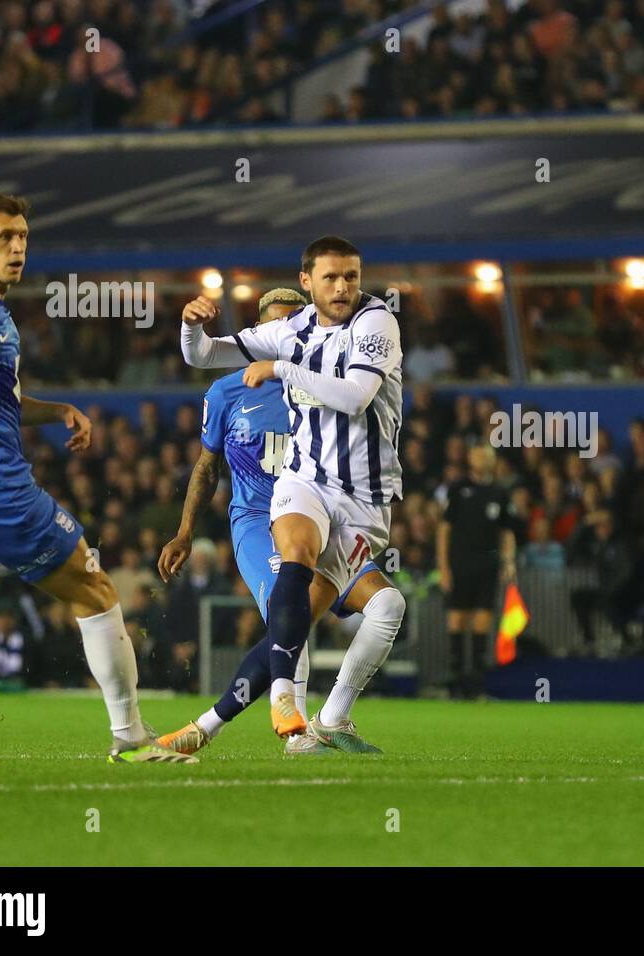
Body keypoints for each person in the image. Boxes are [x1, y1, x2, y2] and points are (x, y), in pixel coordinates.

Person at [0, 193, 190, 763]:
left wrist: (56, 412)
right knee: (97, 589)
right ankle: (132, 739)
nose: (18, 247)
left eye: (23, 236)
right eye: (4, 236)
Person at [179, 235, 406, 753]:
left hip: (362, 500)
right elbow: (204, 356)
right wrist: (190, 325)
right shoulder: (291, 329)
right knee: (295, 554)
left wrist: (280, 368)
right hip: (303, 481)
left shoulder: (376, 323)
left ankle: (217, 726)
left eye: (351, 275)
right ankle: (287, 701)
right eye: (330, 277)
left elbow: (355, 396)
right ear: (308, 281)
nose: (343, 286)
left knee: (303, 615)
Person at [156, 289, 342, 755]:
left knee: (386, 605)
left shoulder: (322, 382)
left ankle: (336, 720)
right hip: (258, 521)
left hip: (319, 516)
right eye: (274, 328)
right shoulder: (226, 392)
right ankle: (295, 734)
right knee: (290, 612)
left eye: (293, 325)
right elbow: (206, 467)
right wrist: (185, 531)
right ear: (257, 335)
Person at [437, 445, 517, 696]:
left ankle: (478, 683)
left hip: (488, 565)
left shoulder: (500, 492)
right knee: (458, 618)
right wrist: (443, 566)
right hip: (460, 564)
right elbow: (444, 529)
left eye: (488, 455)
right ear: (470, 458)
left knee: (483, 621)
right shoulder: (459, 488)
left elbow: (506, 531)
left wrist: (508, 560)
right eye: (478, 453)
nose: (483, 458)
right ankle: (456, 681)